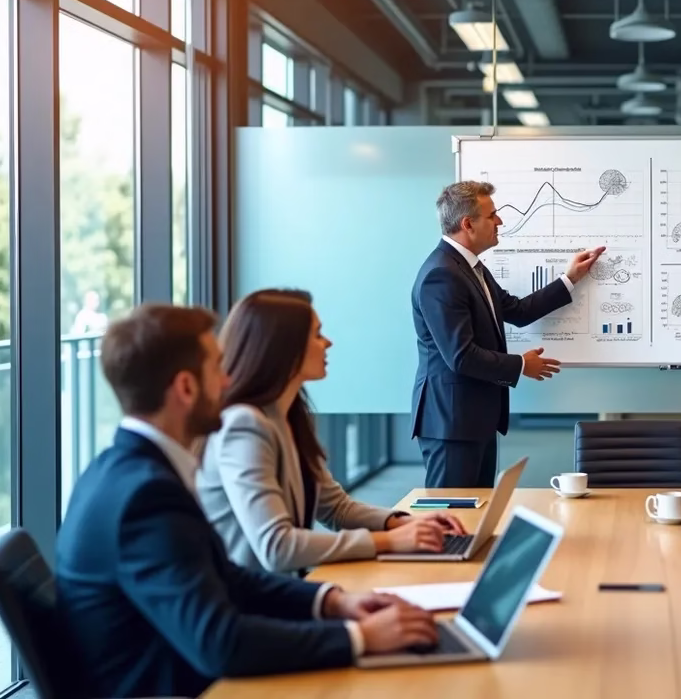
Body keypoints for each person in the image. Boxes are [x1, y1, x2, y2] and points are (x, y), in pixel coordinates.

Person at [55, 304, 439, 698]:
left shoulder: (124, 470)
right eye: (218, 368)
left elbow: (229, 577)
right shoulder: (145, 496)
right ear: (186, 388)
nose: (227, 381)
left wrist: (334, 603)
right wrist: (358, 638)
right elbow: (220, 643)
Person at [198, 289, 466, 576]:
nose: (328, 343)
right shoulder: (243, 426)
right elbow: (277, 547)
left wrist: (405, 523)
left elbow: (335, 509)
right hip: (250, 605)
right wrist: (389, 541)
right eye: (317, 335)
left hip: (284, 592)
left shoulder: (289, 415)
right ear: (283, 347)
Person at [411, 180, 604, 488]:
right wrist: (521, 365)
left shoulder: (470, 267)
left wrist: (569, 279)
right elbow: (461, 356)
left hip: (474, 419)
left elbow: (517, 310)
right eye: (492, 215)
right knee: (451, 518)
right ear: (467, 223)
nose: (500, 221)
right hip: (452, 422)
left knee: (476, 514)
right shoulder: (442, 275)